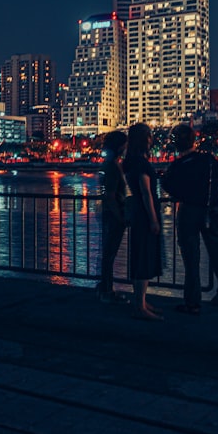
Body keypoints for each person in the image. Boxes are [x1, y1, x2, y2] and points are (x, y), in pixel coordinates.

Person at [161, 124, 218, 315]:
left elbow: (166, 184)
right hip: (211, 210)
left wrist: (183, 194)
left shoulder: (178, 165)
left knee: (191, 258)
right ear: (193, 141)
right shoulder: (207, 160)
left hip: (188, 211)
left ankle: (193, 302)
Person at [122, 123, 163, 320]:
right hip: (145, 214)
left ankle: (141, 301)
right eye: (149, 135)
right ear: (143, 139)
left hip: (139, 212)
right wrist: (153, 219)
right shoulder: (140, 163)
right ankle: (140, 305)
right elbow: (146, 192)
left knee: (141, 255)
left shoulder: (131, 160)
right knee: (144, 257)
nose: (152, 139)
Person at [98, 130, 129, 304]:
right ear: (119, 146)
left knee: (108, 253)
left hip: (111, 214)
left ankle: (105, 288)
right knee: (109, 253)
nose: (126, 147)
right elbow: (110, 195)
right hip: (113, 215)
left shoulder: (111, 163)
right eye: (125, 144)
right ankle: (107, 291)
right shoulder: (112, 166)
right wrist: (120, 216)